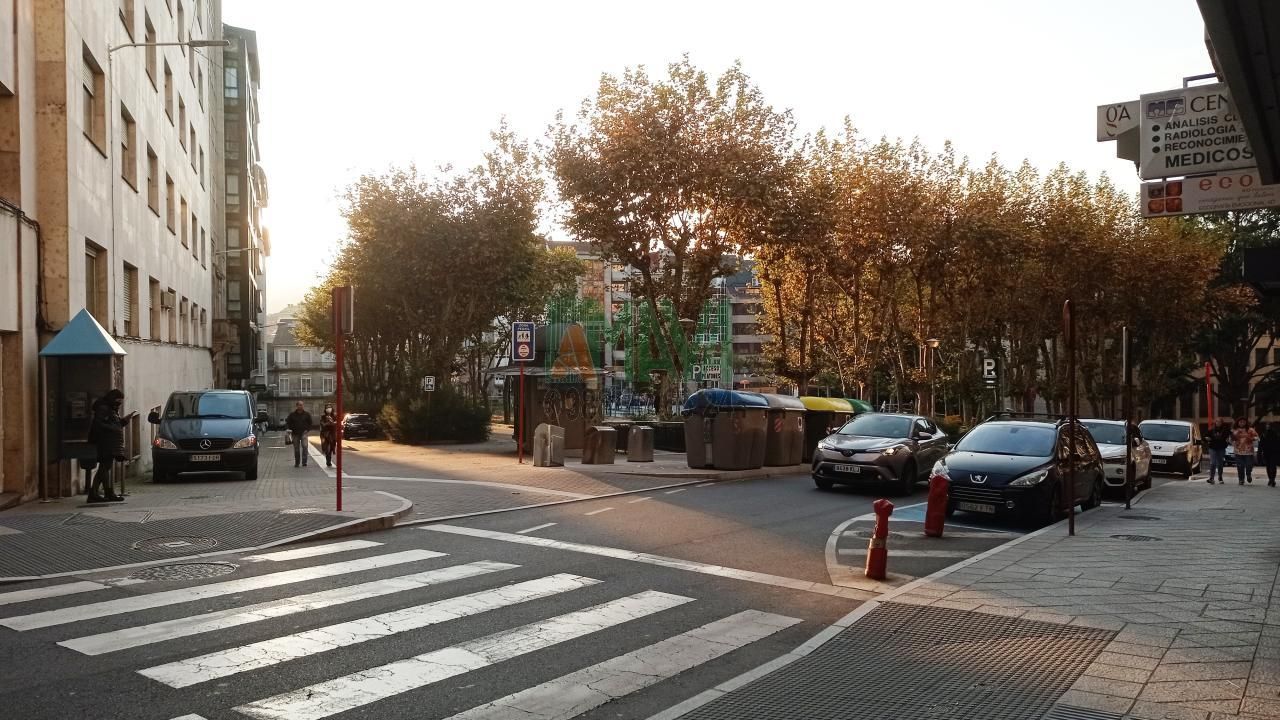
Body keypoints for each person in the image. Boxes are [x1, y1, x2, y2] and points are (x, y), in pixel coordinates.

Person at [87, 389, 135, 503]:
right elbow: (99, 424)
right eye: (118, 401)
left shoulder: (111, 409)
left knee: (105, 468)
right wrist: (114, 428)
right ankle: (99, 494)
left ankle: (103, 493)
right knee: (104, 468)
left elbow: (113, 424)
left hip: (110, 443)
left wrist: (124, 421)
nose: (119, 404)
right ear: (113, 399)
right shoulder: (104, 408)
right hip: (105, 443)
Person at [1232, 417, 1259, 485]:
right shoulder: (1234, 430)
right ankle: (1241, 479)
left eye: (1243, 422)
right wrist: (1234, 438)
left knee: (1249, 465)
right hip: (1238, 451)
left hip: (1248, 451)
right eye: (1240, 422)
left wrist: (1251, 438)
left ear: (1246, 423)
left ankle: (1248, 474)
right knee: (1240, 466)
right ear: (1238, 422)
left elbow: (1257, 437)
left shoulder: (1250, 430)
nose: (1242, 423)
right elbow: (1230, 439)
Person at [286, 401, 314, 468]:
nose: (300, 406)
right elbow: (287, 422)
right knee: (296, 449)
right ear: (297, 406)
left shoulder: (306, 414)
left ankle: (304, 462)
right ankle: (297, 462)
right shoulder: (292, 415)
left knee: (305, 447)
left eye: (301, 405)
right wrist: (288, 429)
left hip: (304, 433)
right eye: (299, 405)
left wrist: (307, 430)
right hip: (295, 434)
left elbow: (310, 423)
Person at [1206, 418, 1232, 485]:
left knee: (1220, 464)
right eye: (1217, 421)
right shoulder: (1211, 429)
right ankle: (1211, 478)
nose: (1218, 423)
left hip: (1221, 448)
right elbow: (1205, 437)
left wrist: (1229, 439)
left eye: (1220, 422)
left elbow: (1232, 434)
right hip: (1212, 448)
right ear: (1215, 422)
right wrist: (1206, 439)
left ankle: (1220, 477)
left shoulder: (1225, 430)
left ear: (1222, 423)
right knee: (1213, 463)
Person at [1261, 422, 1280, 488]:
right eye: (1267, 425)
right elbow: (1261, 444)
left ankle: (1272, 480)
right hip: (1267, 453)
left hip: (1274, 452)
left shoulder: (1276, 433)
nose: (1267, 426)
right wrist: (1260, 452)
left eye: (1269, 425)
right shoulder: (1264, 433)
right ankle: (1270, 479)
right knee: (1268, 466)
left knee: (1272, 466)